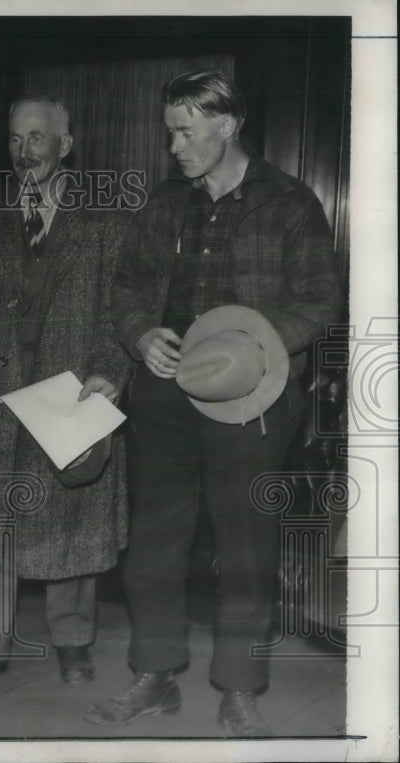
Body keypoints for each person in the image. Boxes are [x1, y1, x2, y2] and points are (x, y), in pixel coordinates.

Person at [87, 69, 344, 736]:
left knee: (247, 548)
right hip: (166, 395)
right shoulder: (165, 203)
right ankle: (155, 672)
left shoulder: (290, 202)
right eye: (169, 131)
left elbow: (319, 300)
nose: (173, 145)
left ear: (226, 126)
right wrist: (141, 333)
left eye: (184, 131)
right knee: (153, 545)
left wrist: (250, 348)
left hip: (253, 400)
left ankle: (239, 686)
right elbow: (128, 285)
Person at [0, 96, 132, 690]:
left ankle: (72, 641)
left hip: (71, 385)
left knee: (71, 516)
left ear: (65, 145)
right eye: (17, 139)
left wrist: (110, 371)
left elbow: (124, 310)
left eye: (38, 138)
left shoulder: (108, 217)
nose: (25, 152)